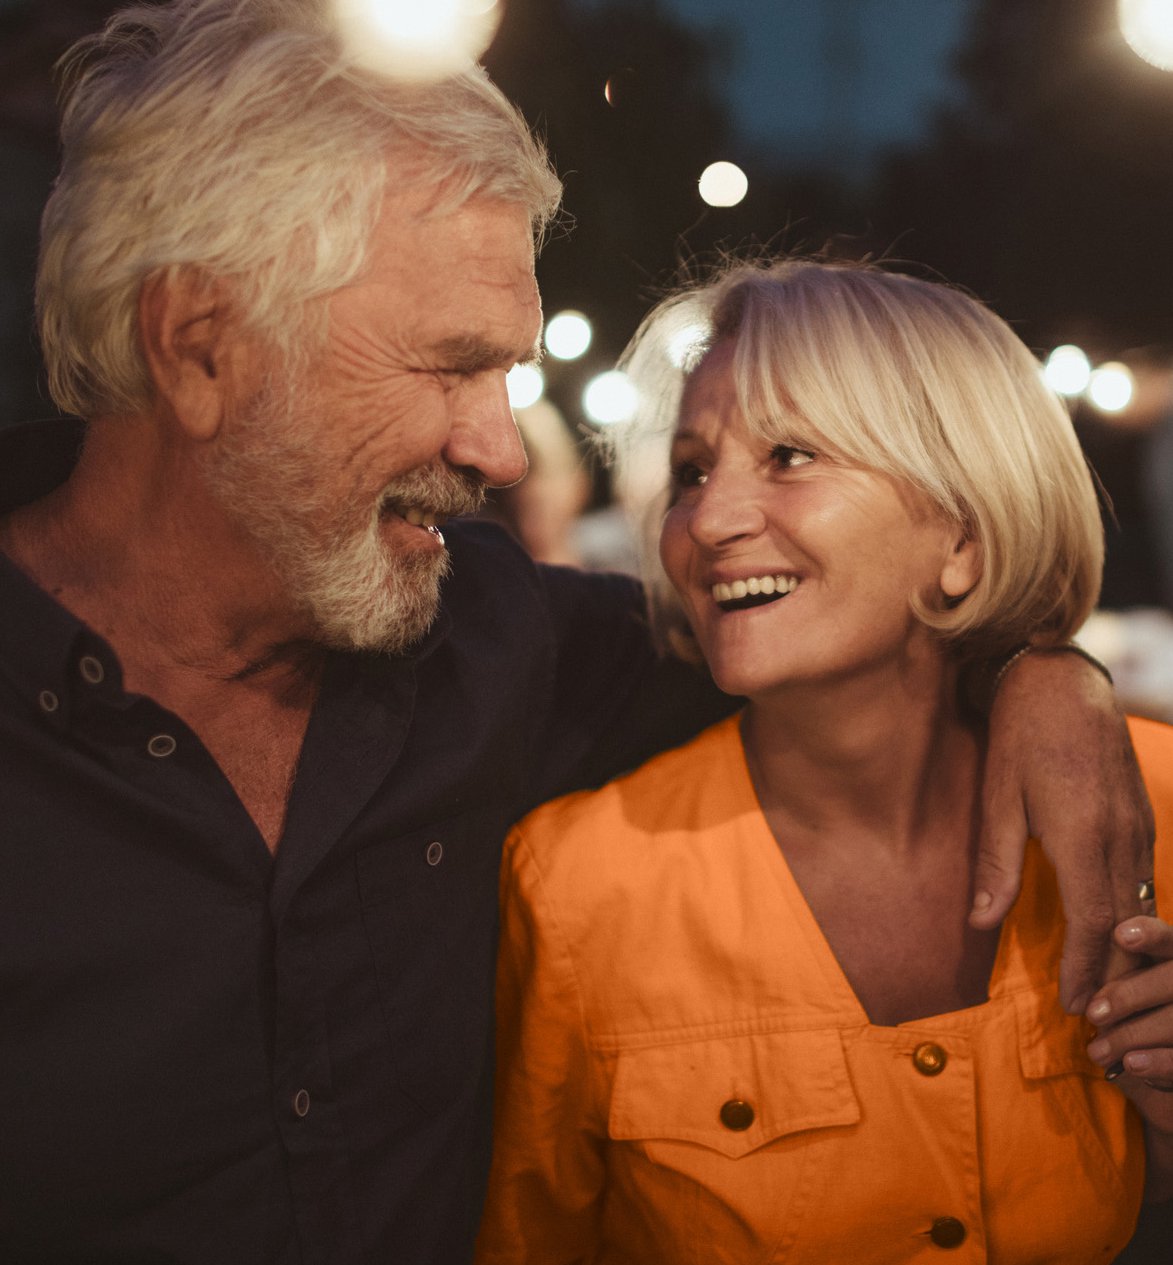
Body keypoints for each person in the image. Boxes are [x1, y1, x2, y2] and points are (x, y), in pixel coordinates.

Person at [0, 1, 1153, 1260]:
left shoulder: (503, 640)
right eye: (450, 366)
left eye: (508, 375)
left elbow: (855, 658)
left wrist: (1048, 667)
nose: (500, 450)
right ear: (198, 347)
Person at [475, 259, 1173, 1263]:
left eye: (791, 454)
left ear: (965, 535)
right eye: (690, 470)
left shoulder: (1144, 802)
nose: (708, 520)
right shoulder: (578, 881)